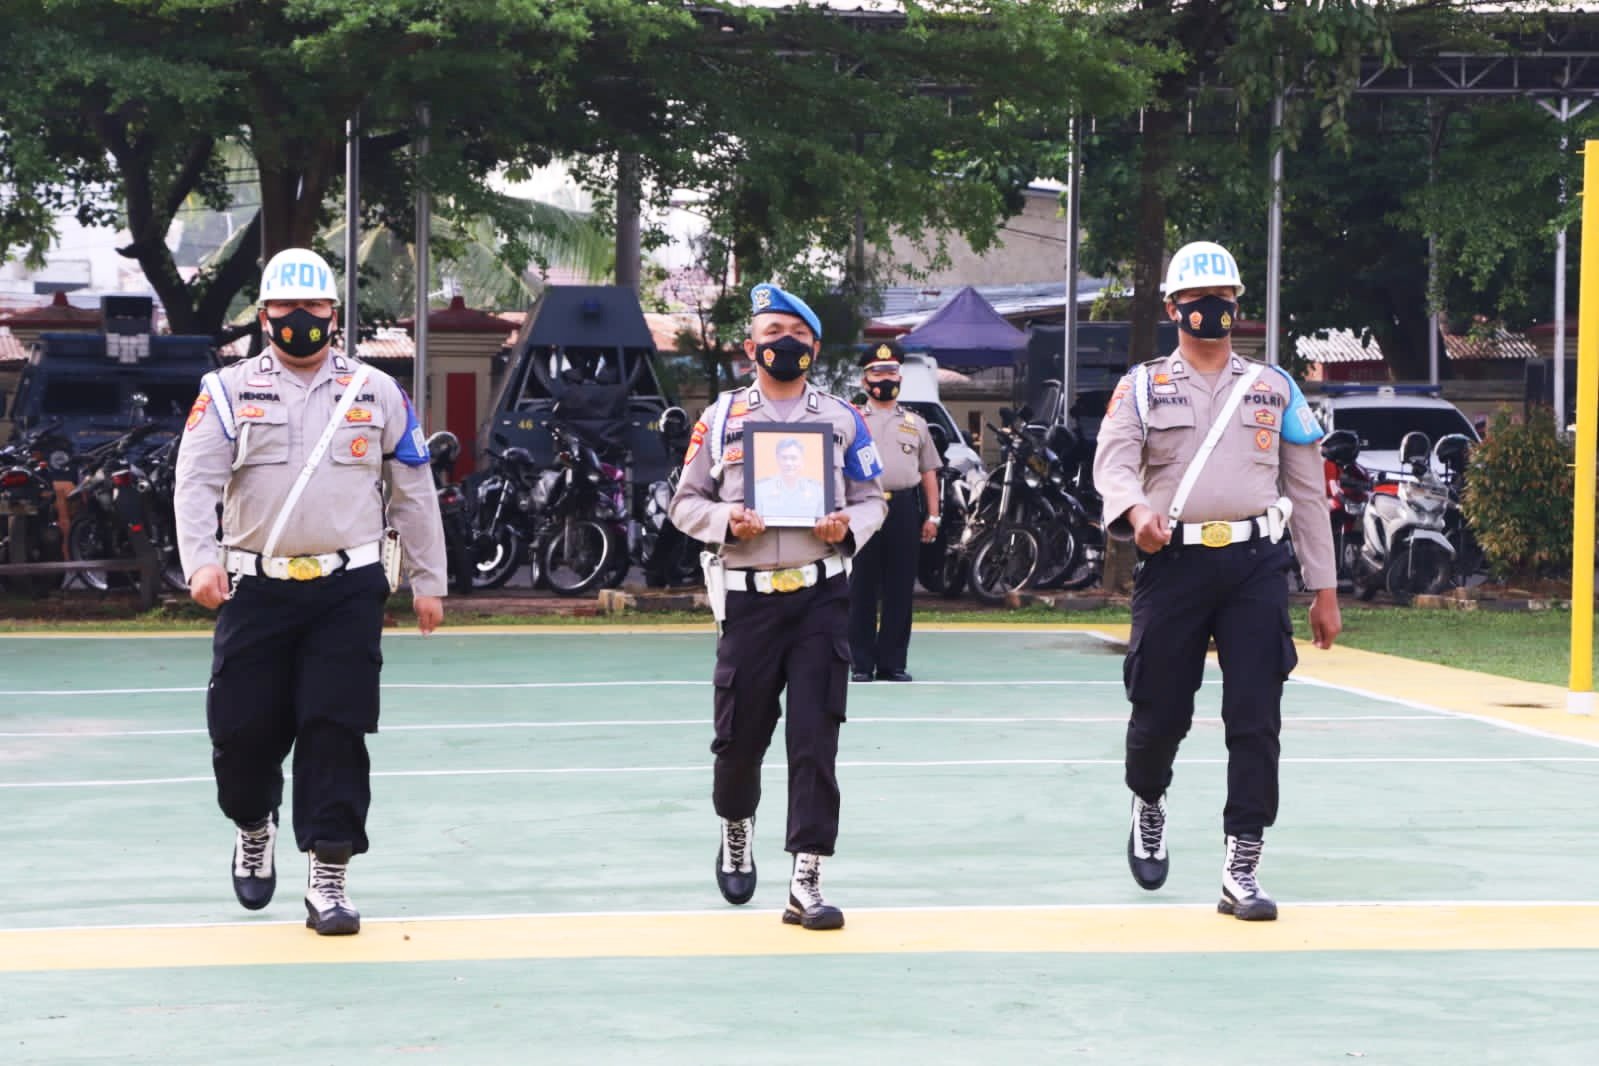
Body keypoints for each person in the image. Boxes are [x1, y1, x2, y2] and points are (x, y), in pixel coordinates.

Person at [174, 247, 447, 936]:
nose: (302, 317)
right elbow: (195, 481)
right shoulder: (226, 390)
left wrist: (428, 580)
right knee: (242, 733)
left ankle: (329, 876)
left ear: (334, 313)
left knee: (336, 728)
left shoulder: (376, 391)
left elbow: (413, 491)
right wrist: (200, 562)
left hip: (347, 588)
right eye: (287, 307)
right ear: (265, 317)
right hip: (254, 587)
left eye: (315, 306)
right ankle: (253, 824)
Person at [1092, 240, 1341, 922]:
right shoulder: (1143, 386)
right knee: (1159, 713)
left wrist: (1323, 588)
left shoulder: (1274, 387)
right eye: (1198, 299)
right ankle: (1149, 799)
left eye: (1224, 297)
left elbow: (1306, 492)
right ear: (1172, 308)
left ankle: (1242, 864)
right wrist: (1135, 511)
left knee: (1255, 717)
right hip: (1174, 564)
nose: (1212, 308)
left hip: (1255, 566)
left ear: (1238, 304)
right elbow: (1113, 464)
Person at [669, 281, 887, 931]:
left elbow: (873, 499)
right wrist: (724, 520)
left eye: (797, 336)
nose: (784, 345)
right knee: (738, 741)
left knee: (815, 740)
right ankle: (736, 826)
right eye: (772, 334)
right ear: (750, 348)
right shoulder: (721, 419)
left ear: (814, 348)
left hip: (821, 594)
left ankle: (806, 880)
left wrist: (846, 527)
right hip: (748, 599)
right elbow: (683, 503)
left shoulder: (843, 420)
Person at [848, 340, 941, 682]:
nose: (885, 379)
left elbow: (929, 471)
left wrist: (933, 515)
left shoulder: (916, 423)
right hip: (862, 507)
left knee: (900, 587)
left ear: (900, 377)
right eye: (877, 373)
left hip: (903, 508)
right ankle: (860, 663)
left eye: (891, 372)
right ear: (864, 380)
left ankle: (892, 662)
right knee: (861, 586)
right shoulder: (852, 420)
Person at [752, 437, 827, 521]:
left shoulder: (817, 491)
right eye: (784, 458)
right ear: (777, 459)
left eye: (793, 458)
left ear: (802, 460)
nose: (788, 463)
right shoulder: (760, 489)